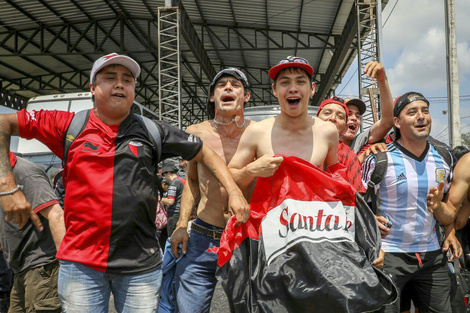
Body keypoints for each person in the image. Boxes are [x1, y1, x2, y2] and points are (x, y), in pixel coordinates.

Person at [0, 52, 249, 313]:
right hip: (81, 267)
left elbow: (204, 152)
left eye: (127, 79)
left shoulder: (153, 131)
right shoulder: (67, 124)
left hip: (140, 269)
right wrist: (7, 186)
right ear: (93, 88)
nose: (120, 84)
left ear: (133, 89)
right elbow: (3, 123)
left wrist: (234, 192)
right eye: (110, 78)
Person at [168, 68, 254, 313]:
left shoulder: (258, 132)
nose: (228, 88)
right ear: (212, 97)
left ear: (245, 96)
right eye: (221, 85)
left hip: (245, 237)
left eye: (235, 85)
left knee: (247, 308)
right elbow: (192, 182)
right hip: (202, 236)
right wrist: (181, 225)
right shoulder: (197, 132)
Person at [362, 91, 456, 312]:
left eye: (425, 111)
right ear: (397, 122)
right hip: (389, 255)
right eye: (412, 112)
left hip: (433, 257)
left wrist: (450, 232)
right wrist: (370, 221)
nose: (421, 116)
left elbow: (452, 203)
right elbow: (355, 203)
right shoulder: (378, 158)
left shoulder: (445, 156)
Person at [0, 153, 65, 312]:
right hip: (21, 270)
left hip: (41, 268)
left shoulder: (25, 174)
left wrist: (67, 266)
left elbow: (56, 215)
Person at [341, 61, 394, 155]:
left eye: (357, 116)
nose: (354, 118)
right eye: (349, 114)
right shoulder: (322, 144)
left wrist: (382, 80)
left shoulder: (359, 141)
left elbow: (388, 121)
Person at [316, 96, 365, 194]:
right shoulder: (300, 143)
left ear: (344, 127)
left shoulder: (350, 156)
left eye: (340, 117)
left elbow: (356, 197)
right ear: (316, 119)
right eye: (327, 113)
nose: (332, 118)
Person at [161, 160, 186, 237]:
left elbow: (170, 201)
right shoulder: (182, 180)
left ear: (168, 173)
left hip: (174, 213)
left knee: (171, 237)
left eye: (165, 175)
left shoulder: (173, 183)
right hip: (181, 212)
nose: (165, 178)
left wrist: (158, 198)